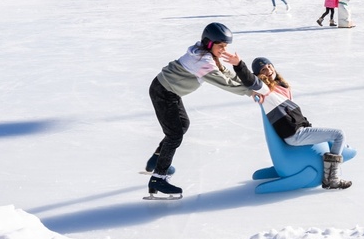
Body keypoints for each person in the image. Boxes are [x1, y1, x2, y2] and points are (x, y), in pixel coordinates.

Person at [145, 22, 267, 198]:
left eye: (225, 46)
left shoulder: (207, 54)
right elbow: (224, 83)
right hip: (163, 92)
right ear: (209, 43)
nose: (223, 50)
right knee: (175, 134)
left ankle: (157, 159)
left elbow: (226, 74)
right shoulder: (203, 61)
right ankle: (158, 178)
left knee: (182, 125)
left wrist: (249, 81)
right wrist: (249, 91)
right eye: (221, 46)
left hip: (170, 91)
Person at [252, 57, 351, 189]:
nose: (268, 70)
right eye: (263, 69)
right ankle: (332, 179)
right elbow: (254, 86)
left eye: (269, 66)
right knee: (339, 135)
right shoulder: (267, 91)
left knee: (332, 135)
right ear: (259, 76)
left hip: (297, 130)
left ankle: (330, 176)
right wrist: (254, 91)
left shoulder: (282, 87)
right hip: (295, 134)